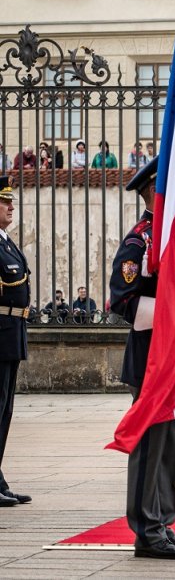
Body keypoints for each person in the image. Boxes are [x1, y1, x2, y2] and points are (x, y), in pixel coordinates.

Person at [108, 158, 175, 558]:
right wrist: (171, 310)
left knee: (171, 445)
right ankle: (146, 529)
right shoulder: (141, 240)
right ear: (153, 191)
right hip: (154, 355)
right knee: (151, 445)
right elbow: (122, 299)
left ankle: (164, 523)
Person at [0, 177, 31, 508]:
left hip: (12, 332)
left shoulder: (6, 242)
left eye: (12, 200)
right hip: (1, 331)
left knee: (5, 410)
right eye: (5, 201)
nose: (11, 205)